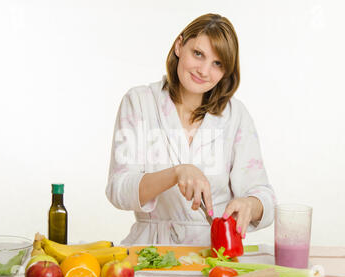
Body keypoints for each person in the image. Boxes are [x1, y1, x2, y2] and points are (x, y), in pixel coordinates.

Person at [105, 13, 276, 245]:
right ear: (179, 46)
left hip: (215, 253)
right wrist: (176, 173)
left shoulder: (235, 115)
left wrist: (250, 204)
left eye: (218, 63)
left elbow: (264, 195)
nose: (204, 71)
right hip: (149, 251)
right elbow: (118, 189)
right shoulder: (139, 102)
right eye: (198, 54)